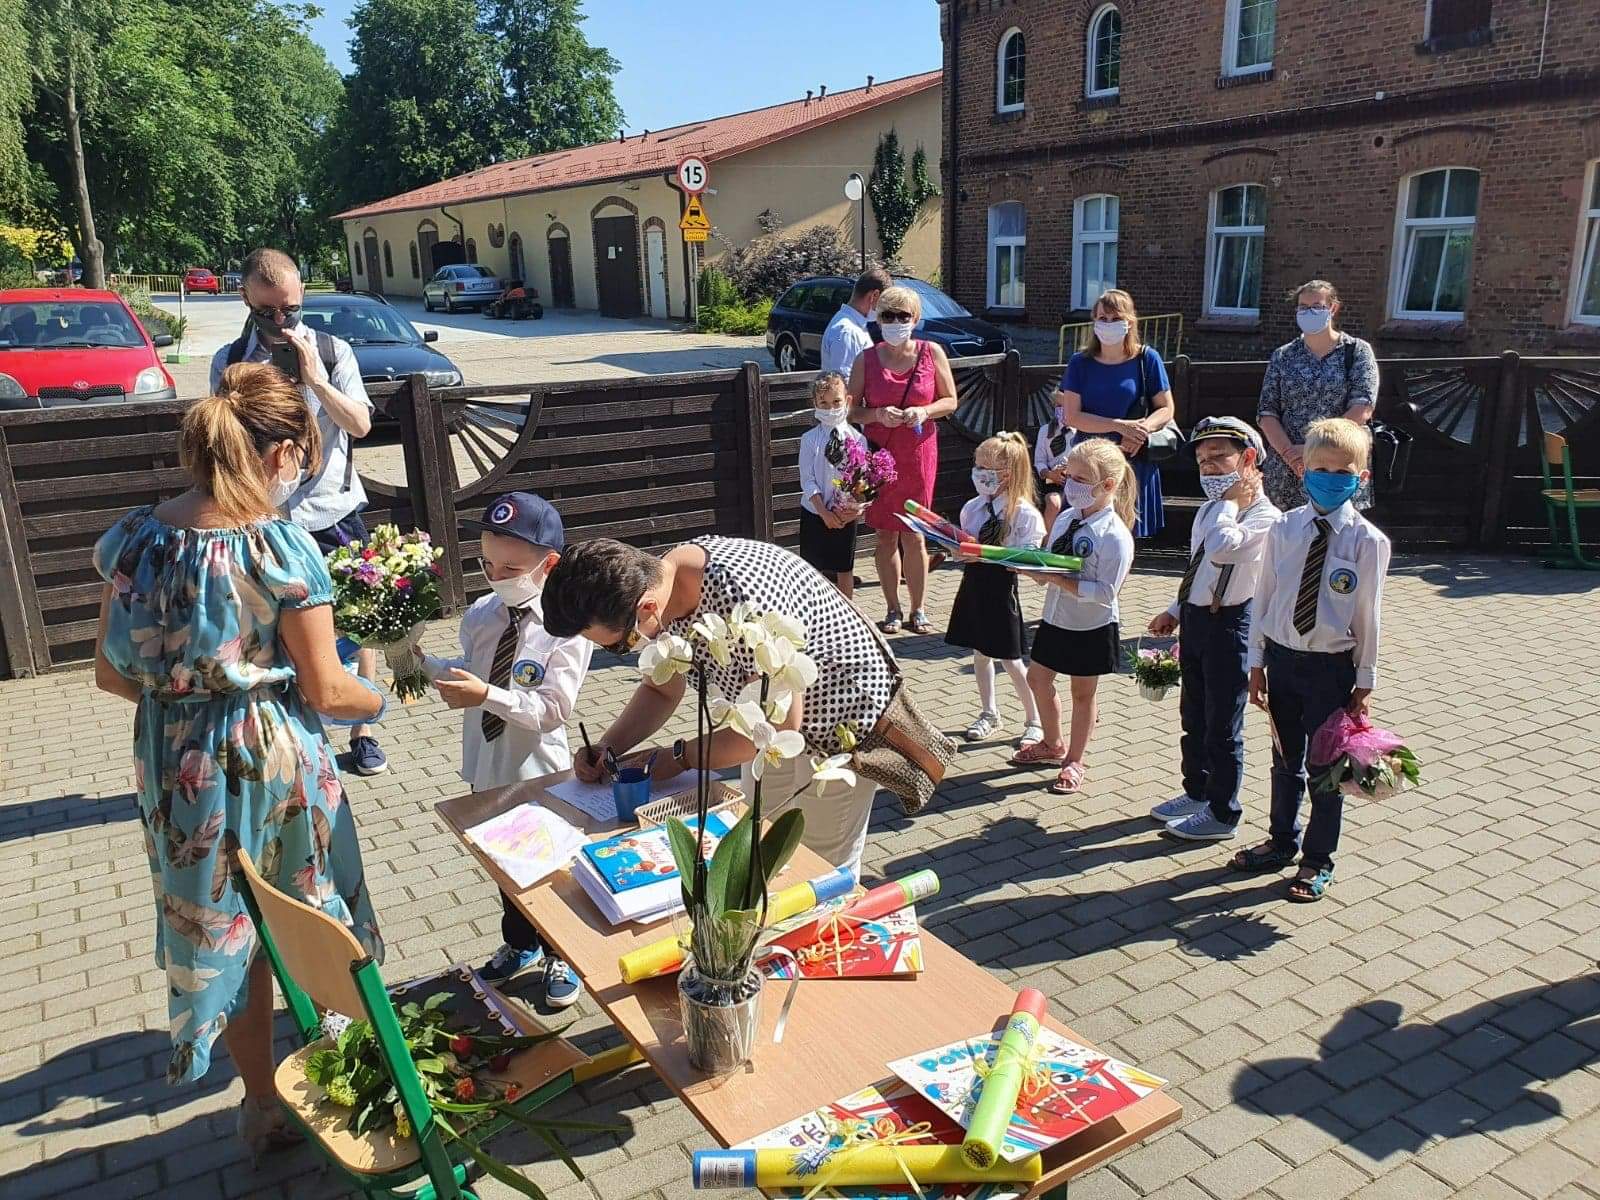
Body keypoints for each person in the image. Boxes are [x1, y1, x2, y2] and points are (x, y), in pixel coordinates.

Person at [92, 363, 385, 1160]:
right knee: (315, 914)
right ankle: (361, 1080)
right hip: (269, 753)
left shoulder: (135, 537)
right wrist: (383, 696)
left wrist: (186, 705)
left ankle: (260, 1108)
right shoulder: (278, 545)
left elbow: (110, 674)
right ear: (282, 453)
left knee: (226, 931)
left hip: (172, 760)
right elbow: (327, 689)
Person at [542, 537, 893, 878]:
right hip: (767, 723)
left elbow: (779, 726)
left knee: (820, 868)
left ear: (646, 607)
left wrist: (680, 757)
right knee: (758, 840)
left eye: (620, 645)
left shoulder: (744, 598)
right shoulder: (662, 587)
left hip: (840, 720)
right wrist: (609, 747)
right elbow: (661, 690)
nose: (627, 649)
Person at [210, 248, 387, 777]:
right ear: (245, 298)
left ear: (303, 294)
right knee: (273, 631)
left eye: (290, 308)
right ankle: (302, 732)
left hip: (332, 511)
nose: (281, 321)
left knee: (359, 618)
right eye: (267, 311)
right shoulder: (230, 361)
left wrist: (315, 379)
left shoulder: (332, 350)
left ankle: (363, 729)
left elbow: (360, 425)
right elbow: (223, 443)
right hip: (264, 521)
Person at [425, 492, 592, 1009]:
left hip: (538, 771)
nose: (497, 577)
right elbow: (468, 671)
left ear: (549, 564)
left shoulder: (566, 626)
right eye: (487, 565)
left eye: (512, 569)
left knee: (548, 866)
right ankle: (520, 944)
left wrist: (487, 696)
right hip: (486, 763)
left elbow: (553, 709)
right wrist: (414, 658)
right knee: (502, 862)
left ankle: (563, 952)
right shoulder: (482, 614)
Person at [1234, 417, 1391, 903]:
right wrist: (1256, 663)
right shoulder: (1284, 528)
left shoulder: (1368, 542)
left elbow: (1368, 615)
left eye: (1343, 471)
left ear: (1361, 477)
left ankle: (1318, 859)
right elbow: (1264, 597)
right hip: (1283, 662)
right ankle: (1281, 840)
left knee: (1326, 771)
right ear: (1303, 470)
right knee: (1285, 760)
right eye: (1321, 469)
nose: (1330, 478)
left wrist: (1364, 680)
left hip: (1330, 670)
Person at [1146, 417, 1283, 842]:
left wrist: (1229, 504)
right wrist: (1176, 609)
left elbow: (1224, 550)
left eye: (1219, 458)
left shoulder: (1267, 518)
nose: (1208, 469)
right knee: (1194, 717)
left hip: (1231, 625)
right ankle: (1198, 792)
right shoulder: (1210, 510)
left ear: (1248, 459)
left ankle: (1223, 813)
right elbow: (1199, 565)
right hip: (1197, 620)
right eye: (1203, 461)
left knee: (1223, 726)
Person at [1013, 438, 1137, 794]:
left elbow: (1106, 593)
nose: (1071, 485)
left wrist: (1057, 580)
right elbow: (1051, 565)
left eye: (1082, 479)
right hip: (1055, 617)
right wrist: (1028, 567)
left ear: (1107, 485)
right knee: (1038, 679)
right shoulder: (1067, 518)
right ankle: (1053, 743)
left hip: (1090, 625)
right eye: (1070, 476)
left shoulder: (1114, 536)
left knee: (1083, 693)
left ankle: (1074, 761)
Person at [848, 284, 959, 635]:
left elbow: (950, 400)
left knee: (914, 533)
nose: (896, 322)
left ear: (916, 318)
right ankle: (892, 608)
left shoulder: (931, 352)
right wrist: (877, 415)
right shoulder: (866, 359)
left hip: (917, 454)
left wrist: (923, 411)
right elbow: (851, 409)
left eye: (903, 316)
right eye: (888, 315)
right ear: (878, 318)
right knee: (885, 535)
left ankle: (918, 608)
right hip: (881, 456)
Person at [944, 432, 1045, 745]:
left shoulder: (1023, 513)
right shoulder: (973, 508)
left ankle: (1035, 719)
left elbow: (1028, 557)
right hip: (974, 584)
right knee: (980, 652)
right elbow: (964, 546)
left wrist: (991, 554)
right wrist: (956, 548)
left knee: (1010, 659)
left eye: (986, 468)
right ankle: (989, 712)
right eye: (977, 465)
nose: (979, 473)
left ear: (1007, 474)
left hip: (1001, 588)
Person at [1054, 288, 1175, 540]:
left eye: (1116, 318)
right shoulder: (1080, 362)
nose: (1108, 323)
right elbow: (1072, 416)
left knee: (1124, 538)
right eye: (1103, 318)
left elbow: (1166, 408)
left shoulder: (1147, 358)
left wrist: (1140, 431)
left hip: (1134, 457)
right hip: (1090, 464)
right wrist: (1119, 425)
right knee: (1079, 533)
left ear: (1129, 322)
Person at [1257, 279, 1379, 512]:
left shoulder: (1357, 351)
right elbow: (1266, 412)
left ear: (1333, 308)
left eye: (1316, 306)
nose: (1309, 312)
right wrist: (1291, 455)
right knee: (1285, 529)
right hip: (1287, 468)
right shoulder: (1283, 355)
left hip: (1339, 464)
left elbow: (1363, 407)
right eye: (1303, 307)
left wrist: (1314, 449)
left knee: (1338, 528)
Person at [797, 372, 866, 596]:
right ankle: (811, 611)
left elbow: (862, 481)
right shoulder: (809, 439)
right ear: (814, 403)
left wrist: (855, 508)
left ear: (847, 400)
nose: (830, 408)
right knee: (811, 571)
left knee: (844, 568)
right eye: (823, 403)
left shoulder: (858, 439)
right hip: (815, 513)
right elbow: (807, 479)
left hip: (845, 515)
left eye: (836, 402)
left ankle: (847, 612)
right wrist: (824, 512)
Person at [820, 266, 890, 377]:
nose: (883, 310)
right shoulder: (847, 332)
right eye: (884, 303)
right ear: (874, 295)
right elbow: (843, 381)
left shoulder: (853, 326)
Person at [1034, 407, 1072, 530]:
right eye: (1060, 405)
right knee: (1053, 503)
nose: (1063, 409)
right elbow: (1039, 461)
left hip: (1074, 478)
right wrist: (1050, 474)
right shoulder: (1045, 430)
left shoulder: (1082, 431)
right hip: (1051, 479)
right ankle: (1047, 540)